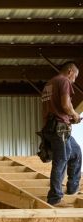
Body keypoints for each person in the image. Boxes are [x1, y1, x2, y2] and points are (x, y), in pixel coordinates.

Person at [41, 61, 82, 206]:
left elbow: (55, 107)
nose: (74, 80)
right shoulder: (64, 81)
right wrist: (75, 115)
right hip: (60, 129)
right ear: (70, 71)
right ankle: (55, 197)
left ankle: (72, 189)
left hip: (51, 127)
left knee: (76, 153)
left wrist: (69, 116)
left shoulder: (49, 84)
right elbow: (65, 105)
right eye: (75, 76)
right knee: (61, 161)